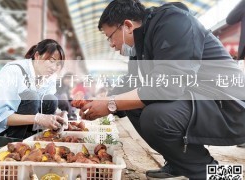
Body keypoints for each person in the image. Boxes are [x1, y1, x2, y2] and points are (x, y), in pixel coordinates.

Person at [79, 1, 245, 179]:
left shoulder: (174, 22)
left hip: (229, 108)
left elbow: (168, 85)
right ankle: (179, 162)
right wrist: (101, 101)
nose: (111, 44)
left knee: (156, 117)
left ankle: (220, 175)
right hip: (202, 104)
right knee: (130, 104)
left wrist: (111, 104)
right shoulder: (141, 45)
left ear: (127, 26)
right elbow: (131, 84)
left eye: (110, 36)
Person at [0, 39, 66, 139]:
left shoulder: (49, 77)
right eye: (51, 61)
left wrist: (59, 117)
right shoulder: (13, 72)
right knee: (31, 97)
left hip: (22, 123)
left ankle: (31, 138)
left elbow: (44, 106)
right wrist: (38, 118)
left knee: (51, 100)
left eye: (58, 64)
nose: (54, 68)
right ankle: (11, 143)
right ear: (37, 56)